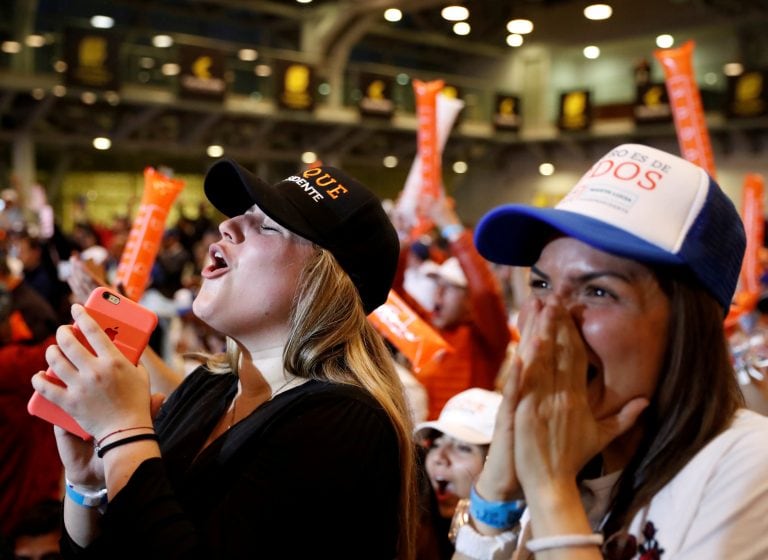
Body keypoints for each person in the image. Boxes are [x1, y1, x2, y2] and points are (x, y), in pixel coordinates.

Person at [32, 161, 417, 559]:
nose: (228, 227)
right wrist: (87, 487)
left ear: (322, 284)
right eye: (242, 215)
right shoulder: (210, 386)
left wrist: (122, 433)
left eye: (268, 227)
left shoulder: (346, 422)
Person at [452, 144, 768, 559]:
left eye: (598, 291)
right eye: (541, 285)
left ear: (687, 325)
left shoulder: (748, 464)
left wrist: (550, 486)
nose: (550, 322)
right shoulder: (568, 452)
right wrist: (497, 487)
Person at [394, 195, 510, 419]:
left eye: (449, 288)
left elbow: (485, 292)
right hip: (422, 443)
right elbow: (392, 293)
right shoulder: (427, 327)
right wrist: (404, 237)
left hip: (463, 445)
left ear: (470, 301)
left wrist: (450, 225)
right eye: (437, 284)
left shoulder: (488, 341)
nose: (438, 293)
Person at [413, 388, 502, 559]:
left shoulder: (517, 541)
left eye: (463, 448)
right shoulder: (416, 527)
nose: (439, 457)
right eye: (436, 444)